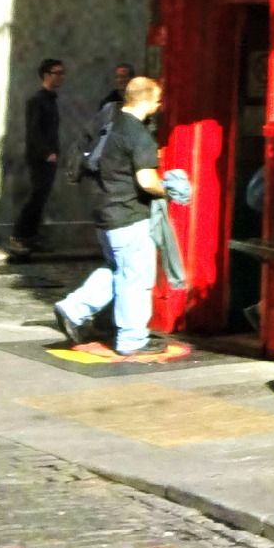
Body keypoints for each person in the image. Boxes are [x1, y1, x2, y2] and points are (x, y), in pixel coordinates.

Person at [52, 75, 166, 357]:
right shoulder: (139, 136)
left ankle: (74, 308)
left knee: (118, 270)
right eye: (158, 100)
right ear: (148, 101)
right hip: (129, 216)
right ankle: (132, 339)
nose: (160, 105)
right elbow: (147, 180)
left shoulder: (109, 122)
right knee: (136, 278)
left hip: (105, 214)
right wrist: (167, 191)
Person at [13, 57, 65, 254]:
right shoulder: (37, 101)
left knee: (41, 197)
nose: (61, 77)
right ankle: (20, 234)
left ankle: (31, 235)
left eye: (62, 73)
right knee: (36, 196)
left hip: (49, 156)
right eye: (57, 73)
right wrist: (47, 153)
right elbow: (34, 131)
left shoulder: (50, 100)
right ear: (46, 75)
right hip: (40, 158)